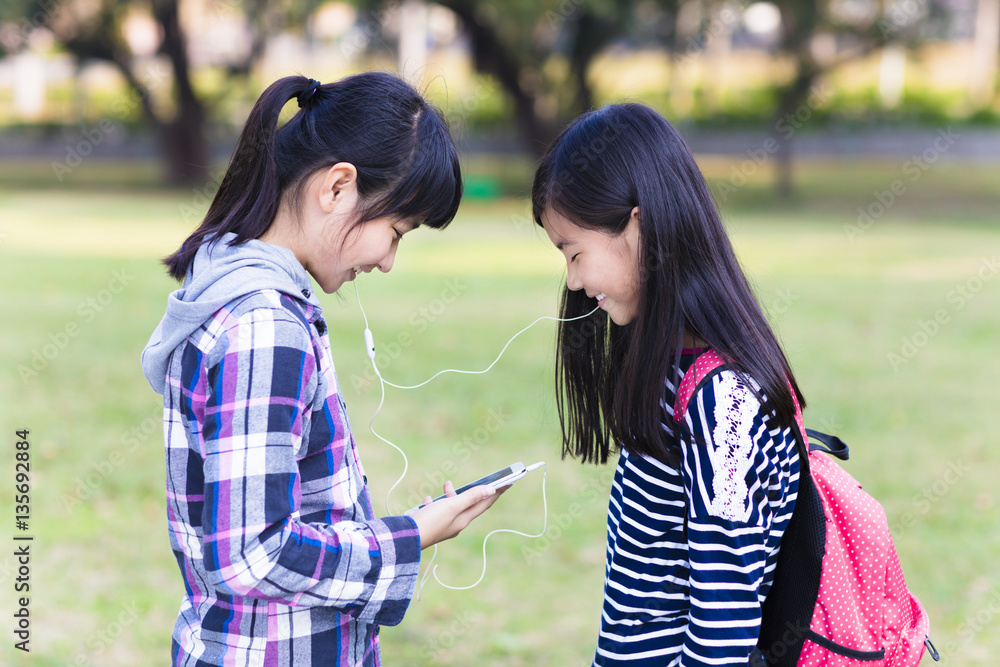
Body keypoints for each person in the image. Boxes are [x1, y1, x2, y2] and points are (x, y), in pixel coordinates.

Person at [141, 72, 502, 667]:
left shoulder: (238, 293)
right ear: (336, 187)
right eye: (395, 232)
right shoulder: (265, 326)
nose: (388, 261)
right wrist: (412, 537)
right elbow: (253, 552)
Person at [531, 103, 805, 666]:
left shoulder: (724, 402)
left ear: (639, 225)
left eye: (575, 252)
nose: (575, 282)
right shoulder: (668, 367)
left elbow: (724, 623)